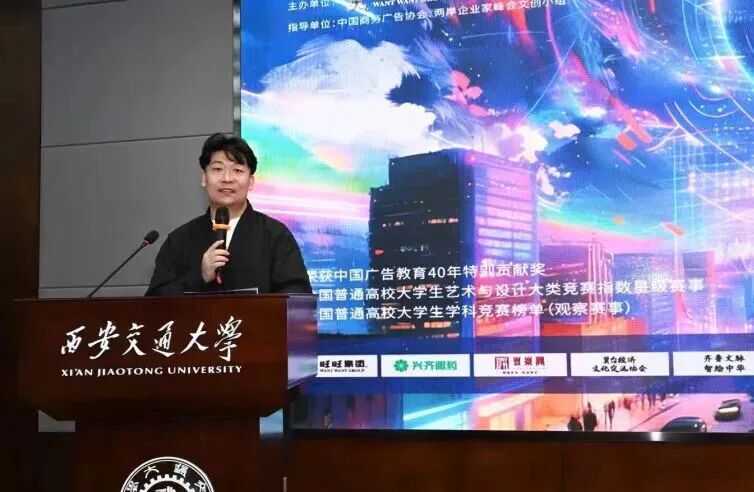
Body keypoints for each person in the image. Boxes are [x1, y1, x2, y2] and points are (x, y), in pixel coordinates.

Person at [146, 133, 311, 296]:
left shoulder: (275, 235)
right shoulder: (179, 240)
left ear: (251, 182)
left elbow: (298, 295)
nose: (227, 178)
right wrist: (199, 276)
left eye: (237, 170)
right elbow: (154, 302)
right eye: (218, 169)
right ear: (204, 178)